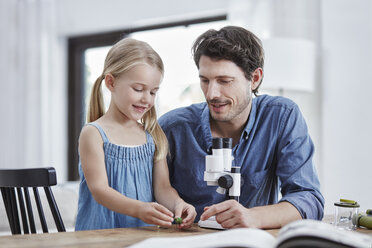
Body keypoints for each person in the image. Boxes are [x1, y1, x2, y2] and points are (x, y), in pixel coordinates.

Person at [158, 26, 324, 229]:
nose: (211, 94)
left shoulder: (281, 117)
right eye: (205, 81)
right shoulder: (173, 128)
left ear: (254, 79)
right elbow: (152, 193)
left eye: (224, 81)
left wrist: (255, 217)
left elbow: (308, 198)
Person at [75, 38, 196, 231]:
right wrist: (139, 209)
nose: (146, 99)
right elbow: (99, 190)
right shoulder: (93, 134)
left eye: (153, 92)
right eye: (138, 89)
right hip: (99, 236)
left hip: (142, 238)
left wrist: (178, 204)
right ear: (111, 82)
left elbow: (163, 188)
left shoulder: (153, 136)